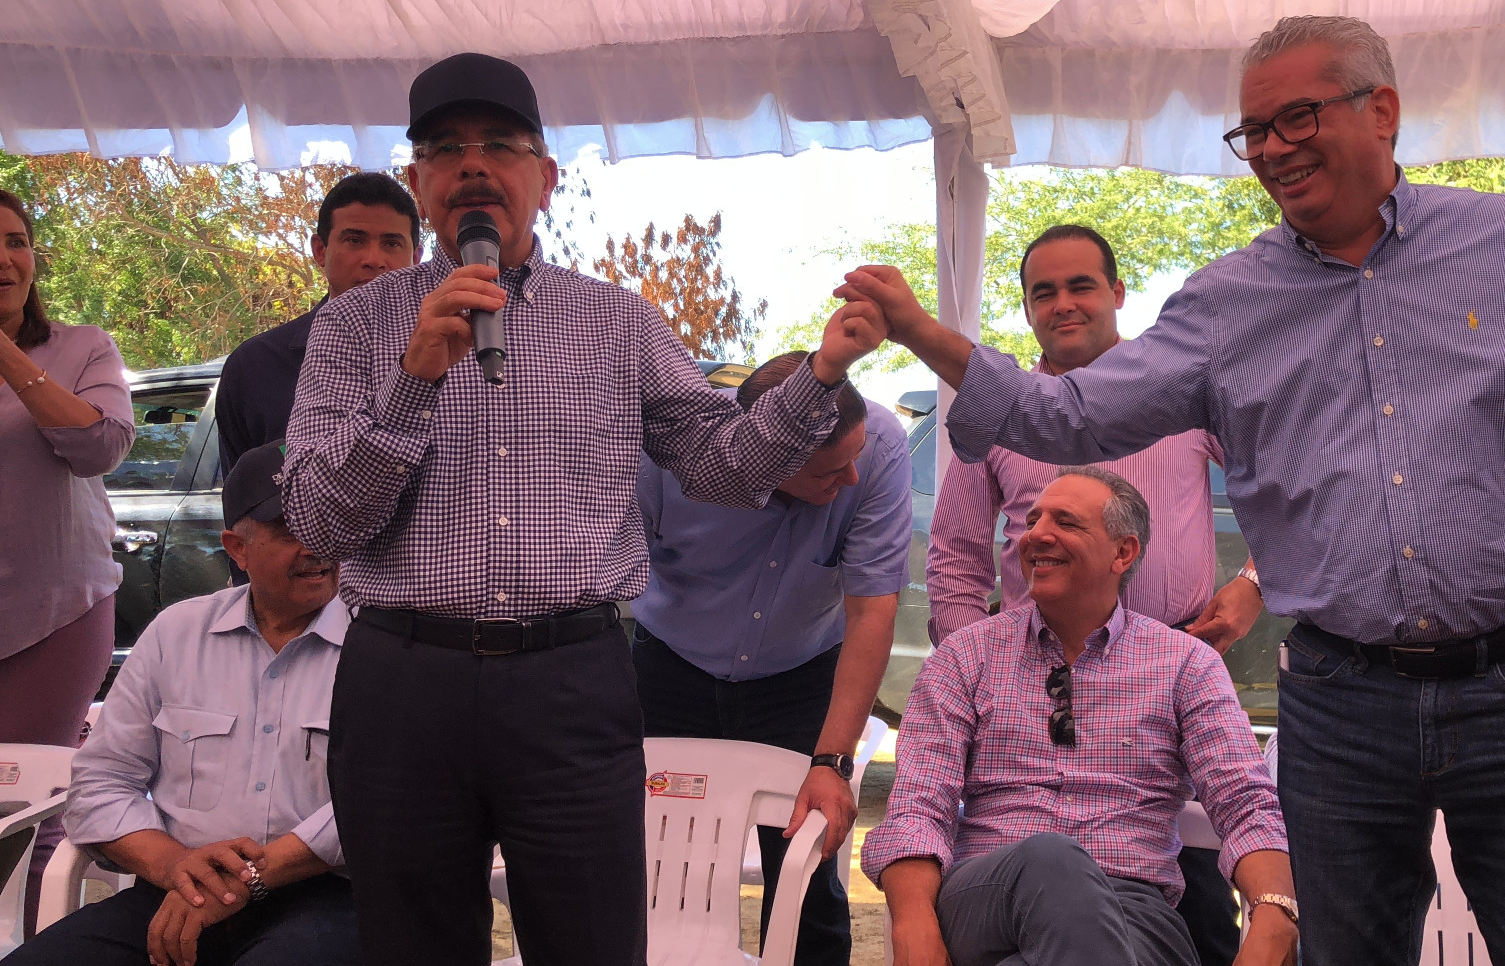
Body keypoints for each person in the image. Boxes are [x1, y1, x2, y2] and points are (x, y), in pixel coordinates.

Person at [841, 15, 1505, 965]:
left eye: (1298, 118)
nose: (1273, 149)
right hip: (1343, 700)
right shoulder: (1227, 306)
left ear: (1383, 110)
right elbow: (1064, 417)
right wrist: (921, 331)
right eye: (1254, 131)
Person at [281, 52, 884, 966]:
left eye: (500, 144)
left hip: (570, 682)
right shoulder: (354, 326)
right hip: (403, 682)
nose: (472, 165)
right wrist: (413, 381)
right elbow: (322, 524)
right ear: (419, 181)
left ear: (546, 176)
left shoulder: (618, 321)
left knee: (594, 943)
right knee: (410, 945)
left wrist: (823, 373)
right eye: (445, 148)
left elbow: (725, 467)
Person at [925, 222, 1248, 964]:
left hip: (1169, 675)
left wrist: (1253, 585)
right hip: (1037, 674)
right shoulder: (996, 411)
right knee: (1042, 884)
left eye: (1080, 286)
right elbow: (956, 556)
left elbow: (1289, 486)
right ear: (1027, 308)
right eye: (1044, 292)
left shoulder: (1184, 392)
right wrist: (982, 660)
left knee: (1191, 901)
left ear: (1118, 292)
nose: (1063, 304)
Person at [863, 467, 1297, 966]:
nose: (1036, 535)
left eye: (1065, 522)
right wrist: (913, 924)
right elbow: (918, 809)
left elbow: (1247, 805)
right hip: (986, 897)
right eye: (1033, 520)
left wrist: (1274, 913)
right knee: (1051, 860)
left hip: (1134, 912)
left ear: (1123, 553)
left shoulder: (1185, 665)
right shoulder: (966, 657)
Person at [14, 444, 356, 966]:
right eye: (290, 530)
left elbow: (390, 800)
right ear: (237, 548)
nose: (317, 547)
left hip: (330, 893)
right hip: (183, 886)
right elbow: (101, 782)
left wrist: (248, 879)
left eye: (328, 526)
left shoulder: (378, 641)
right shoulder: (177, 633)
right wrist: (177, 866)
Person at [631, 351, 911, 966]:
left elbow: (872, 610)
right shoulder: (670, 450)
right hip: (672, 669)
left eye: (853, 459)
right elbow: (607, 578)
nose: (852, 480)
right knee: (661, 872)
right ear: (764, 459)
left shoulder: (880, 446)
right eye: (829, 471)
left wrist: (832, 762)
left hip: (802, 676)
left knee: (807, 883)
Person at [0, 187, 135, 918]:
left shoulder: (82, 347)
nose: (4, 259)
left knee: (32, 808)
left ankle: (36, 946)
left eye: (16, 242)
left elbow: (99, 447)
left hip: (56, 614)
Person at [215, 172, 421, 476]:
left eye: (391, 243)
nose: (373, 259)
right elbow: (244, 495)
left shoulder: (453, 356)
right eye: (355, 240)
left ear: (416, 258)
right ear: (320, 250)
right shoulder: (254, 365)